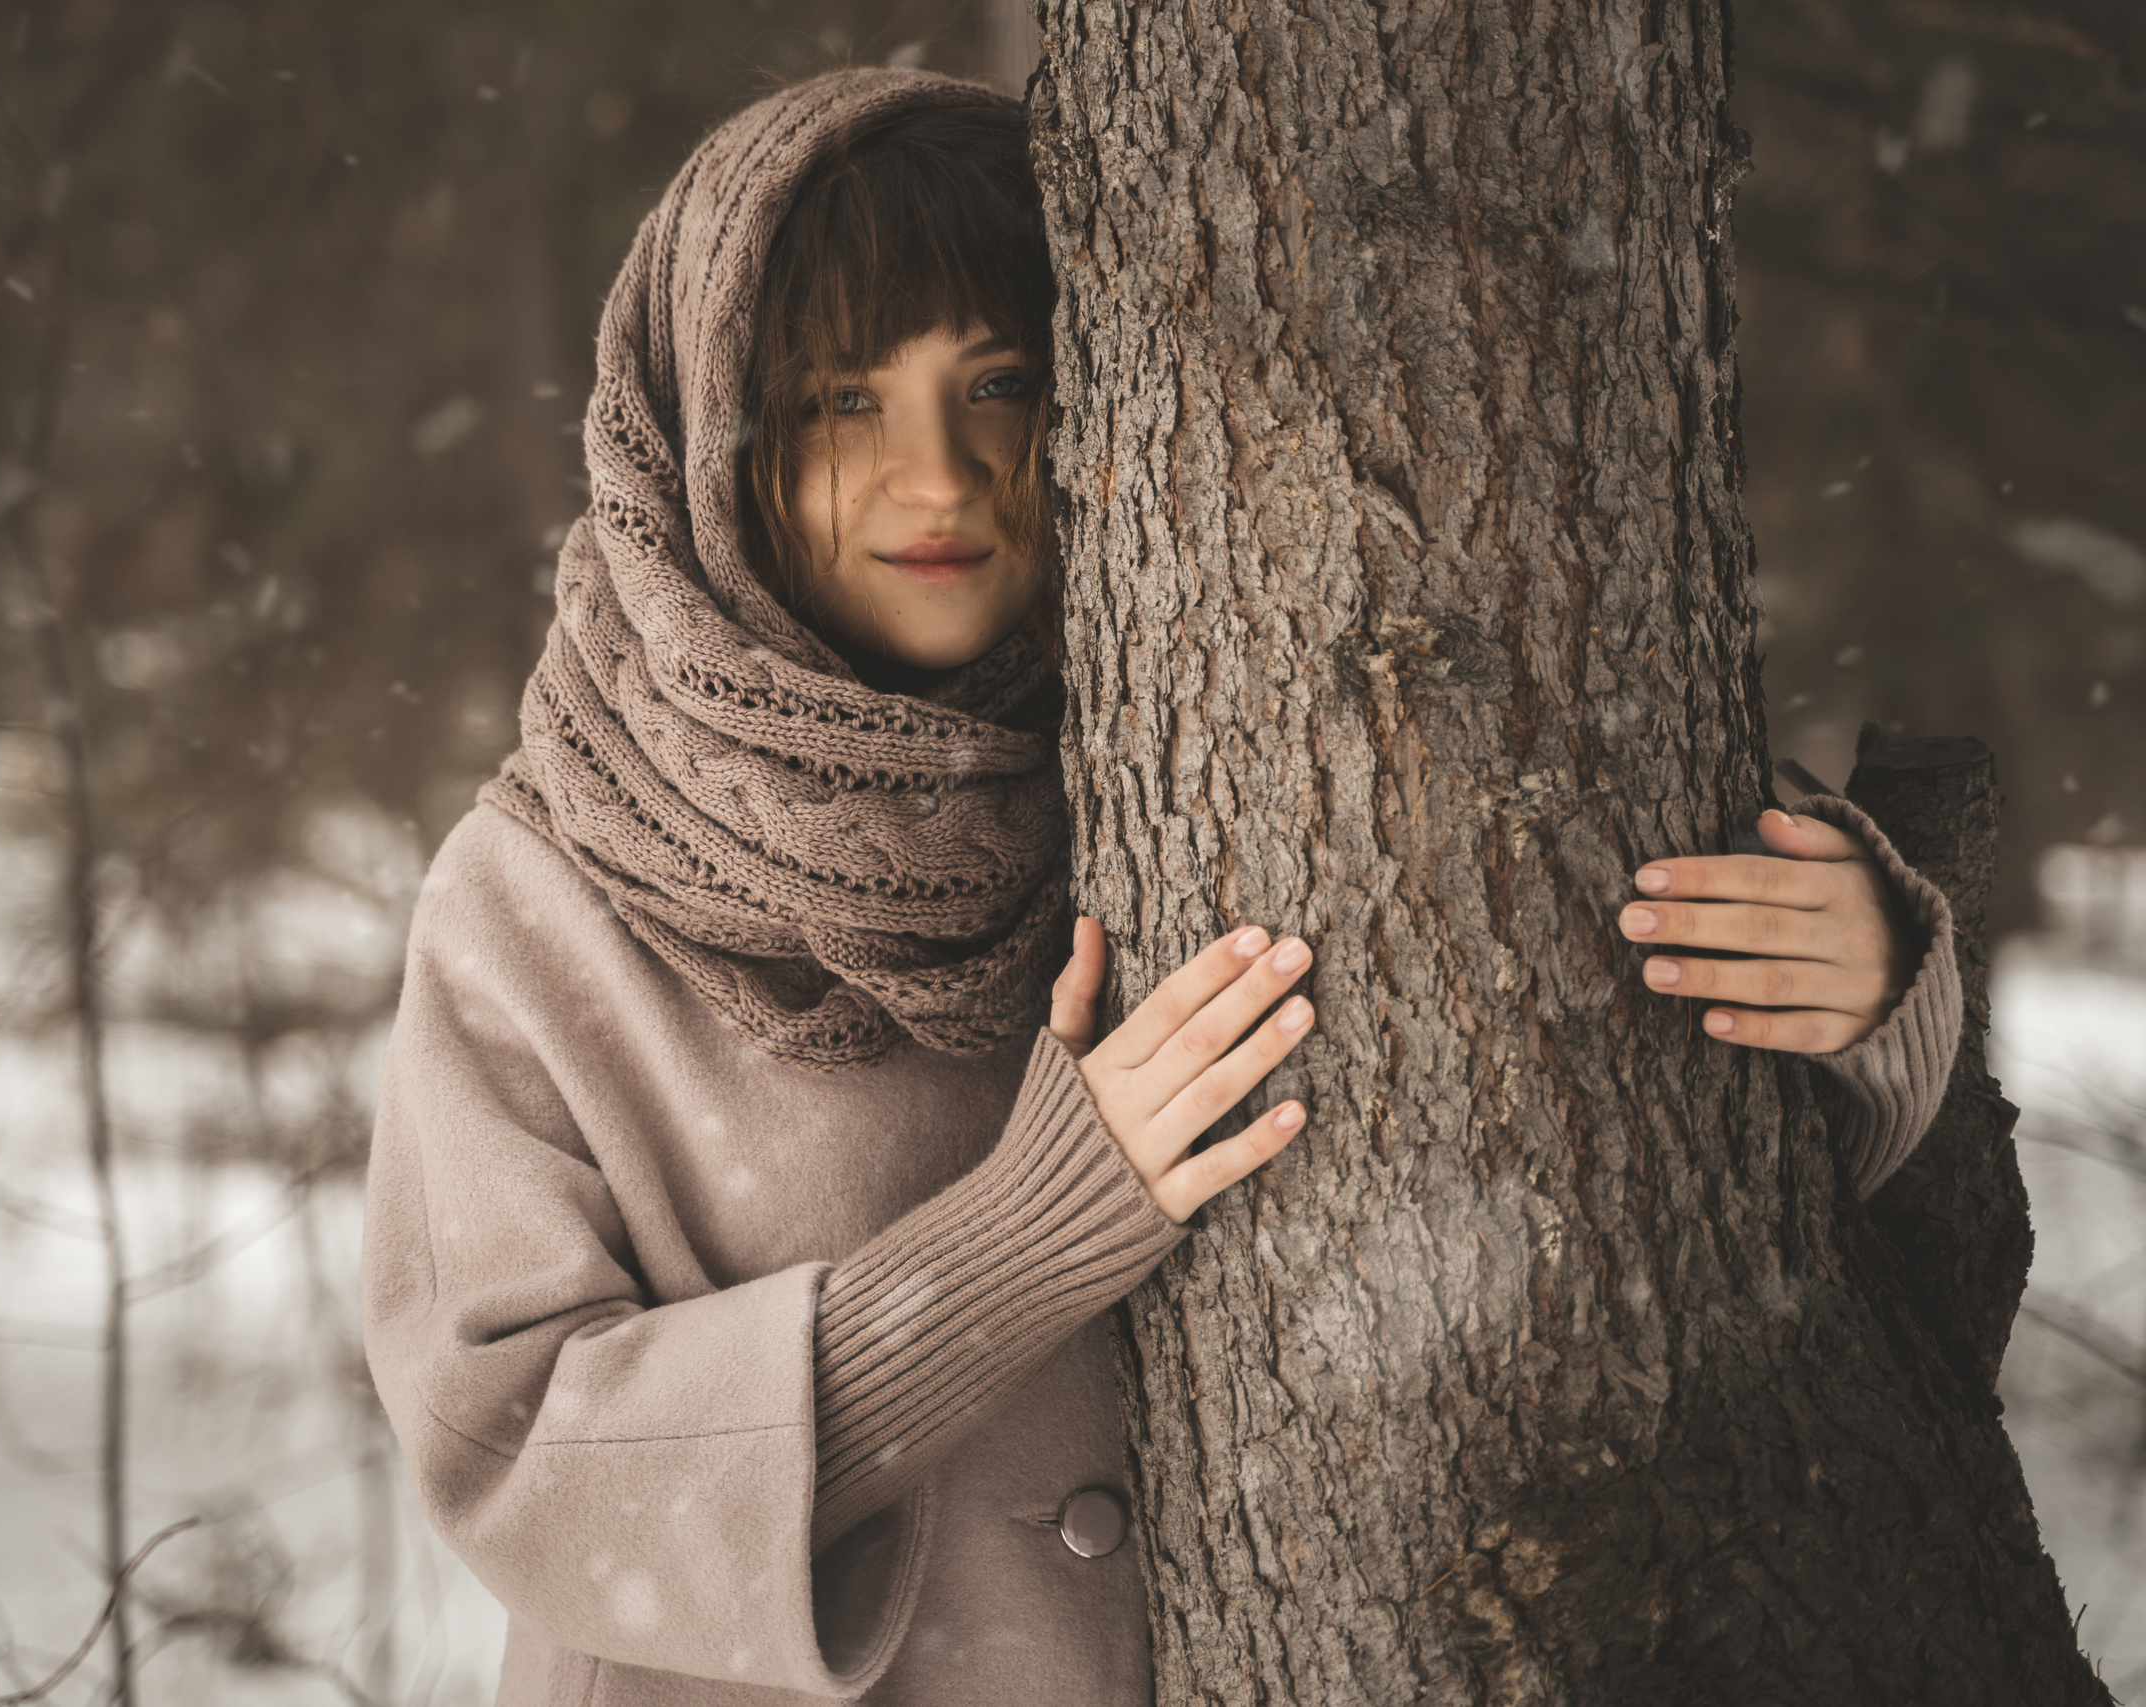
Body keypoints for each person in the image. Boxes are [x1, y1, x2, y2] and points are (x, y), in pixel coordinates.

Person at [359, 66, 1961, 1707]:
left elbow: (1661, 1216)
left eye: (998, 385)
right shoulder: (546, 897)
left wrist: (1862, 989)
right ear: (706, 432)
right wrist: (1020, 1242)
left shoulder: (1263, 735)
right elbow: (520, 1461)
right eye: (847, 401)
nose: (938, 477)